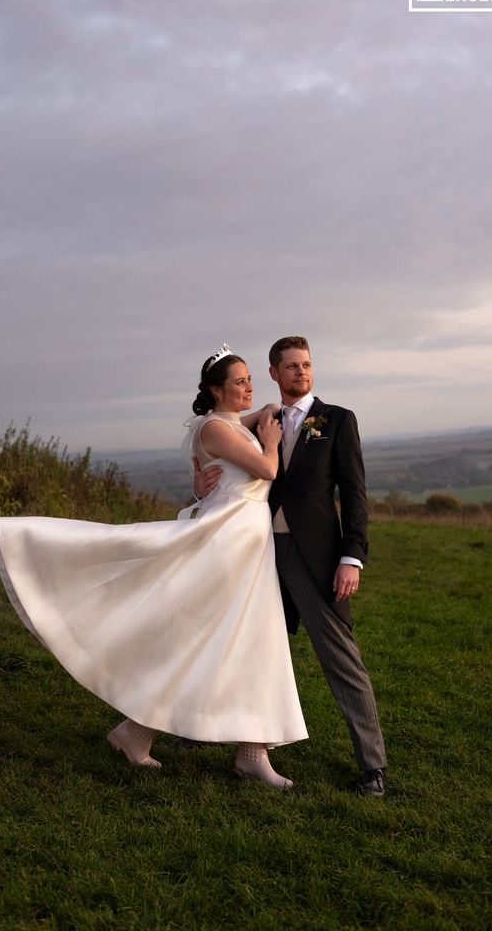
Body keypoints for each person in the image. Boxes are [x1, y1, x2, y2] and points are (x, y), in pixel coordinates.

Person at [0, 345, 307, 790]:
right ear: (216, 390)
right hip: (226, 547)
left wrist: (269, 409)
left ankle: (239, 750)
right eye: (239, 381)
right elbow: (267, 469)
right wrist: (271, 442)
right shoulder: (216, 429)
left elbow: (265, 411)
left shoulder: (231, 422)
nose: (249, 387)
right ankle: (144, 734)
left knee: (251, 640)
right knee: (203, 641)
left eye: (250, 378)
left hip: (247, 547)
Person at [194, 336, 386, 796]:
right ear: (274, 373)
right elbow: (217, 448)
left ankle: (372, 767)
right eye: (291, 367)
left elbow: (354, 495)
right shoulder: (262, 420)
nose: (301, 372)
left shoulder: (338, 420)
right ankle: (217, 736)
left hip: (312, 558)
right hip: (253, 553)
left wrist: (351, 557)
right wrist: (201, 482)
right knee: (234, 643)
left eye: (307, 365)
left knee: (340, 659)